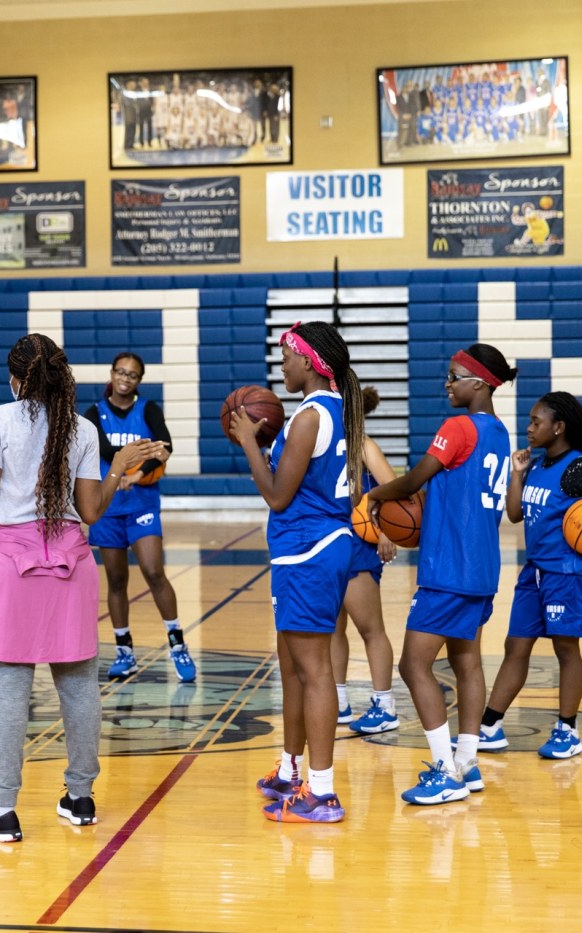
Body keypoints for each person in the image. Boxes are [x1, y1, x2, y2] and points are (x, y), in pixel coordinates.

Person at [0, 334, 161, 843]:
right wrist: (117, 468)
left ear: (15, 378)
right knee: (79, 685)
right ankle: (81, 798)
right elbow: (90, 512)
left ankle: (3, 811)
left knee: (9, 689)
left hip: (11, 565)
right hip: (71, 562)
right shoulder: (84, 428)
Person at [367, 344, 516, 805]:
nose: (447, 384)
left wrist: (374, 497)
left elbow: (414, 480)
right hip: (482, 568)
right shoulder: (500, 432)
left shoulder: (458, 427)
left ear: (479, 383)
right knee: (467, 663)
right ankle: (467, 763)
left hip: (448, 568)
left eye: (454, 376)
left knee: (413, 666)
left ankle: (445, 770)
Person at [229, 321, 365, 824]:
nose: (281, 366)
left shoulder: (310, 416)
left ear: (308, 361)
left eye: (286, 358)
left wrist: (249, 441)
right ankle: (290, 770)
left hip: (309, 550)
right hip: (310, 549)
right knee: (292, 667)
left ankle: (322, 793)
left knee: (314, 671)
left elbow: (277, 495)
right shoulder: (334, 410)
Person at [480, 392, 582, 759]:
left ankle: (568, 730)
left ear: (558, 427)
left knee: (566, 648)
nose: (529, 428)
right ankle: (489, 728)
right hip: (535, 572)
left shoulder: (577, 468)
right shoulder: (538, 465)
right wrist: (517, 474)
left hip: (568, 573)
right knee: (516, 646)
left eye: (536, 422)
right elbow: (514, 514)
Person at [84, 353, 194, 683]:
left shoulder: (148, 410)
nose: (125, 378)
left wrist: (139, 472)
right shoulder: (94, 413)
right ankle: (125, 651)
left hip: (141, 503)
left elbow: (166, 447)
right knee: (116, 580)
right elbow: (104, 450)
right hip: (107, 506)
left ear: (139, 380)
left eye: (132, 375)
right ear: (112, 373)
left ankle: (177, 644)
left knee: (153, 570)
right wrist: (137, 457)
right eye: (120, 372)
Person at [334, 387, 401, 734]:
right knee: (332, 628)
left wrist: (388, 531)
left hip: (359, 546)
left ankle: (385, 705)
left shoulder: (362, 445)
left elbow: (395, 490)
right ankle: (338, 701)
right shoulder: (324, 444)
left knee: (370, 629)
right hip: (331, 544)